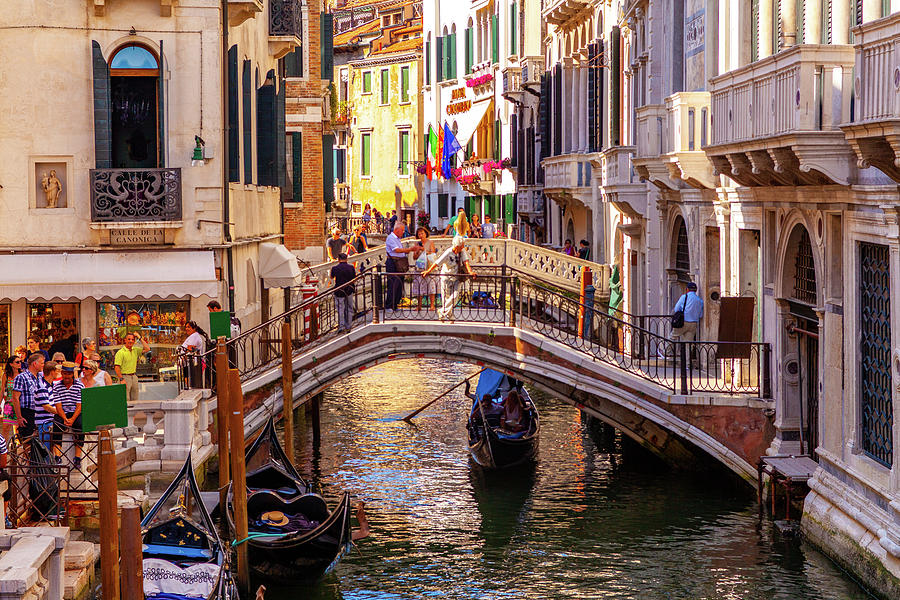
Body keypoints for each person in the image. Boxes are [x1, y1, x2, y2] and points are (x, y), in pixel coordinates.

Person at [423, 235, 476, 322]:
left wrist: (470, 272)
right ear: (456, 246)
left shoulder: (462, 251)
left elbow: (466, 262)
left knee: (455, 296)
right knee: (446, 298)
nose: (463, 247)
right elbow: (437, 263)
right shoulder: (448, 252)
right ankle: (450, 316)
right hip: (446, 277)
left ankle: (442, 311)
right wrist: (428, 271)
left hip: (457, 277)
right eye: (461, 246)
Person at [50, 362, 84, 467]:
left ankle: (78, 457)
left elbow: (79, 405)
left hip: (75, 412)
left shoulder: (80, 385)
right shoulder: (56, 387)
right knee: (56, 426)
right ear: (62, 373)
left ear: (72, 374)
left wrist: (72, 419)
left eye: (69, 374)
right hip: (62, 412)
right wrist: (65, 418)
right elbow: (58, 406)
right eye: (65, 373)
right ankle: (57, 456)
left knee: (80, 425)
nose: (67, 376)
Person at [12, 353, 46, 440]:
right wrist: (19, 417)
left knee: (40, 439)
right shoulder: (21, 377)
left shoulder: (41, 377)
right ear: (35, 364)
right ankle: (26, 454)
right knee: (27, 440)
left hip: (39, 412)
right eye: (42, 363)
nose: (43, 365)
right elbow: (15, 398)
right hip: (27, 412)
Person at [384, 223, 415, 310]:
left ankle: (395, 304)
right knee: (393, 284)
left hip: (399, 263)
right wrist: (409, 249)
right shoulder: (391, 238)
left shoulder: (397, 239)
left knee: (399, 284)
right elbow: (396, 250)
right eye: (402, 230)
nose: (403, 232)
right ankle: (389, 305)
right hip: (393, 263)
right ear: (397, 230)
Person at [114, 332, 149, 405]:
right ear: (125, 340)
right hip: (124, 377)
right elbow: (117, 367)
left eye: (133, 339)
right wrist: (121, 379)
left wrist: (139, 337)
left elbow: (147, 348)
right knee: (125, 400)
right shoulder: (121, 352)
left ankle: (134, 416)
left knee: (135, 399)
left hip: (134, 377)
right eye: (129, 339)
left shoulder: (135, 350)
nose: (131, 341)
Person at [34, 361, 60, 449]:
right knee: (46, 451)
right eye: (57, 370)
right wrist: (61, 413)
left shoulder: (51, 385)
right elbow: (46, 406)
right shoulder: (42, 386)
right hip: (44, 423)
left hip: (50, 421)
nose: (58, 373)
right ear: (52, 371)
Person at [411, 227, 438, 311]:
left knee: (431, 285)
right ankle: (419, 306)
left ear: (425, 233)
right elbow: (414, 257)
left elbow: (433, 254)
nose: (421, 235)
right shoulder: (417, 244)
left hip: (428, 267)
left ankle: (432, 305)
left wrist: (424, 250)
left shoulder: (430, 242)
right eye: (419, 234)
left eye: (422, 233)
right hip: (420, 267)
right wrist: (418, 251)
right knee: (419, 286)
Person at [330, 253, 357, 333]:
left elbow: (331, 277)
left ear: (338, 259)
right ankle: (348, 325)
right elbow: (354, 279)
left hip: (339, 290)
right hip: (349, 290)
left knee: (340, 309)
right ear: (346, 259)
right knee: (349, 308)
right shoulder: (351, 267)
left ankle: (341, 326)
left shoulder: (335, 268)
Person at [180, 321, 208, 389]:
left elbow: (190, 348)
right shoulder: (193, 336)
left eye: (189, 327)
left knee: (190, 380)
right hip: (189, 363)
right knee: (188, 379)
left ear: (194, 328)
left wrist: (184, 356)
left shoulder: (194, 336)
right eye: (186, 327)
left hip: (192, 363)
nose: (187, 329)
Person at [1, 355, 22, 437]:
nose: (19, 363)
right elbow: (2, 391)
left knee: (18, 428)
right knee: (5, 428)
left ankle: (17, 446)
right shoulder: (6, 375)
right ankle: (4, 448)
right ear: (11, 364)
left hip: (19, 404)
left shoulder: (22, 374)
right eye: (17, 362)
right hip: (8, 404)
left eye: (20, 362)